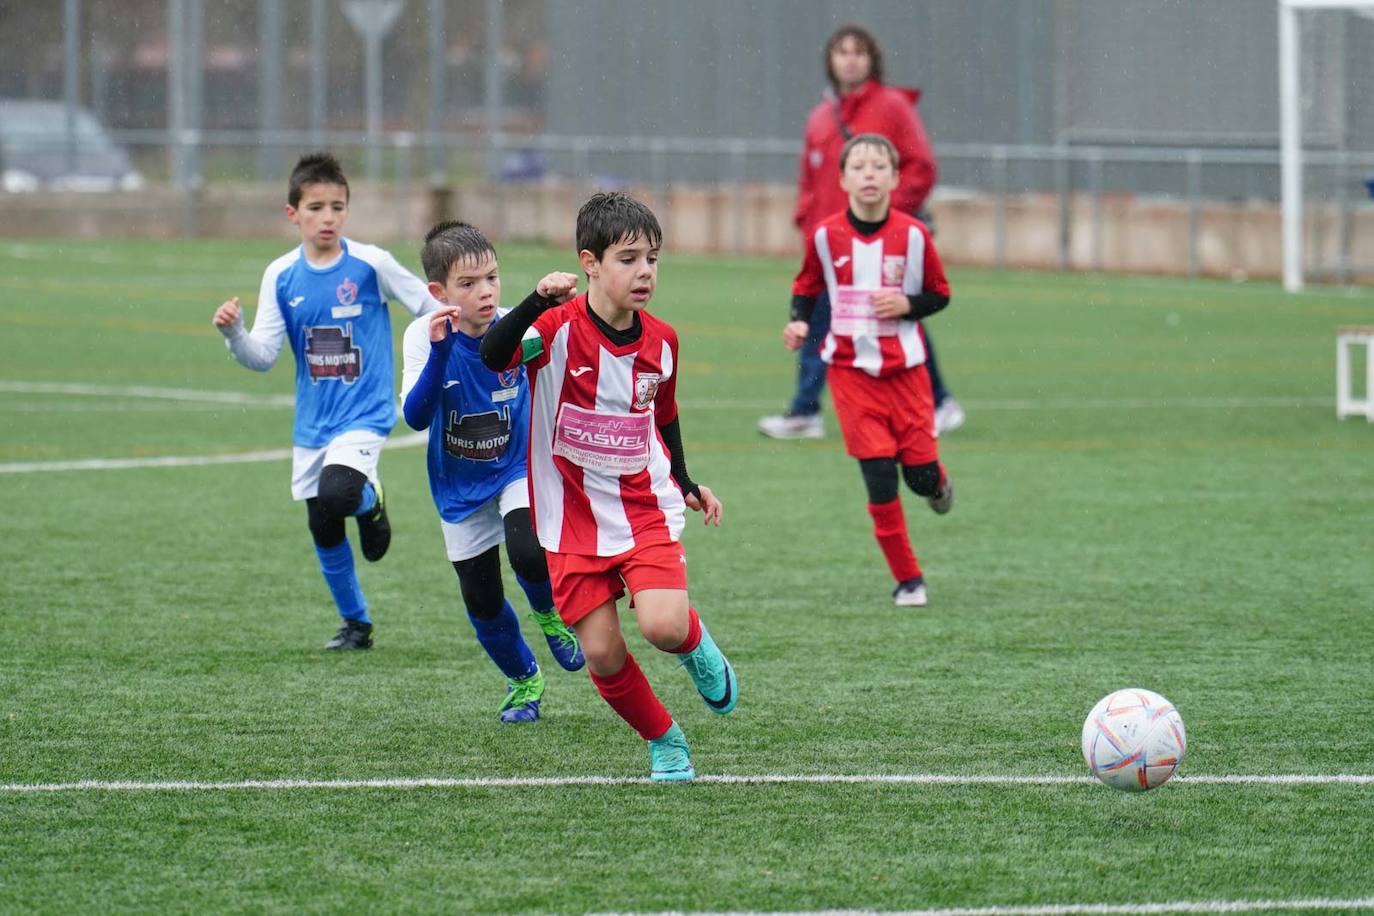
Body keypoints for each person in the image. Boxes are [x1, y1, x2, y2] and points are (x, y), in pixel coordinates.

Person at [480, 192, 737, 782]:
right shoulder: (553, 331)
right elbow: (494, 354)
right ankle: (664, 739)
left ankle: (696, 647)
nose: (645, 271)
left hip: (641, 505)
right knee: (600, 651)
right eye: (628, 258)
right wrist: (534, 301)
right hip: (569, 517)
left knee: (663, 626)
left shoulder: (664, 342)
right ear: (589, 263)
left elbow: (664, 418)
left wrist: (687, 481)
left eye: (652, 258)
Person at [212, 152, 437, 650]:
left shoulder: (371, 264)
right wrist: (234, 334)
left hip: (365, 413)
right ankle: (356, 624)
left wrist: (454, 341)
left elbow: (427, 305)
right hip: (313, 423)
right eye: (315, 207)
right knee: (321, 520)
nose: (328, 217)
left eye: (337, 206)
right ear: (293, 213)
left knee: (338, 495)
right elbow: (263, 356)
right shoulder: (281, 276)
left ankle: (371, 500)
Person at [400, 220, 585, 723]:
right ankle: (525, 680)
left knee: (527, 547)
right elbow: (415, 416)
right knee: (482, 601)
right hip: (458, 487)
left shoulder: (515, 329)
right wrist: (440, 353)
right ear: (438, 292)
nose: (485, 293)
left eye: (492, 279)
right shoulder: (423, 337)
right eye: (468, 284)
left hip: (515, 468)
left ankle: (550, 615)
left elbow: (564, 346)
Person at [759, 22, 965, 441]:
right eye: (842, 51)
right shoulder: (820, 116)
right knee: (820, 321)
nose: (850, 59)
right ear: (830, 61)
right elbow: (809, 177)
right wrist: (807, 221)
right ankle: (805, 411)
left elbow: (921, 167)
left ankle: (939, 402)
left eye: (858, 51)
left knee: (897, 314)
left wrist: (887, 219)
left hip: (878, 241)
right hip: (830, 243)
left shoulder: (891, 107)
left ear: (872, 59)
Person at [781, 133, 954, 608]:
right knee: (879, 475)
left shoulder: (915, 236)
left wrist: (907, 303)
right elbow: (808, 286)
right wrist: (798, 321)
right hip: (852, 377)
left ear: (896, 178)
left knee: (918, 478)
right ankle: (909, 580)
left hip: (908, 375)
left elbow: (940, 293)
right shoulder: (825, 235)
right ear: (842, 179)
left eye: (879, 166)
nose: (869, 174)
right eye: (859, 166)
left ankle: (937, 483)